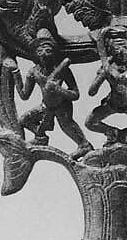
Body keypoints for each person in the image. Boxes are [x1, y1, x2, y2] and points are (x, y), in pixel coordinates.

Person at [10, 29, 93, 160]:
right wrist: (16, 74)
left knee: (67, 126)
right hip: (46, 106)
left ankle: (84, 146)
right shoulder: (34, 72)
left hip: (62, 105)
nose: (44, 54)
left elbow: (75, 94)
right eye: (40, 51)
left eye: (48, 50)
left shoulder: (63, 70)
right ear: (35, 54)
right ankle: (40, 137)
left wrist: (59, 90)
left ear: (54, 52)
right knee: (24, 120)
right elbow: (24, 95)